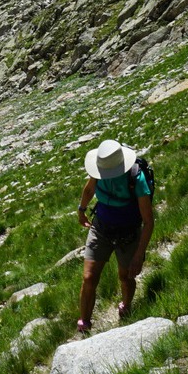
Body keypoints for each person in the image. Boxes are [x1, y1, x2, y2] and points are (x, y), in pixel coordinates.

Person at [76, 138, 153, 333]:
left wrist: (138, 255)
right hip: (101, 228)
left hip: (128, 232)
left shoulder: (136, 178)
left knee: (125, 276)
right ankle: (84, 323)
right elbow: (89, 189)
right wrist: (81, 209)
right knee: (88, 277)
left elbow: (148, 221)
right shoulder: (99, 171)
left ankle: (126, 307)